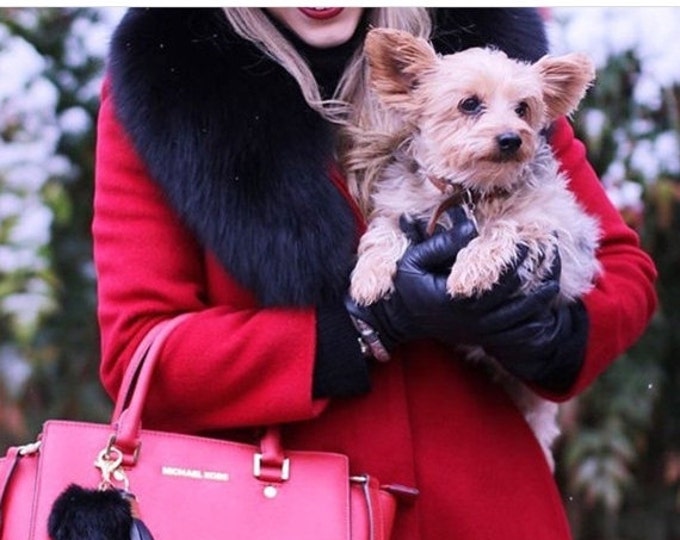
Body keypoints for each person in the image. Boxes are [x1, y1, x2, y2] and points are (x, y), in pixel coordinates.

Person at [93, 8, 658, 539]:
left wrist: (541, 330)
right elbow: (139, 351)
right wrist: (360, 330)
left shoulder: (488, 61)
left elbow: (622, 271)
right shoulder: (170, 77)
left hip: (486, 506)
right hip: (285, 511)